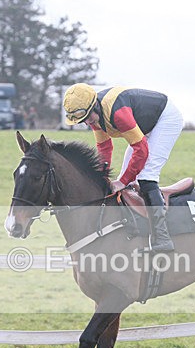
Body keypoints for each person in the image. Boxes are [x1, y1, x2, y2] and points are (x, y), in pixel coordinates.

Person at [62, 83, 183, 252]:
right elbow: (104, 148)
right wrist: (101, 177)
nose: (89, 122)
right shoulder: (94, 115)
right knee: (125, 179)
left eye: (89, 116)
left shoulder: (118, 114)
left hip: (165, 118)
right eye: (83, 121)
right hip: (145, 124)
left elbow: (141, 150)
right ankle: (135, 227)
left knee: (147, 175)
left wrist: (123, 180)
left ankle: (163, 238)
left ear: (95, 105)